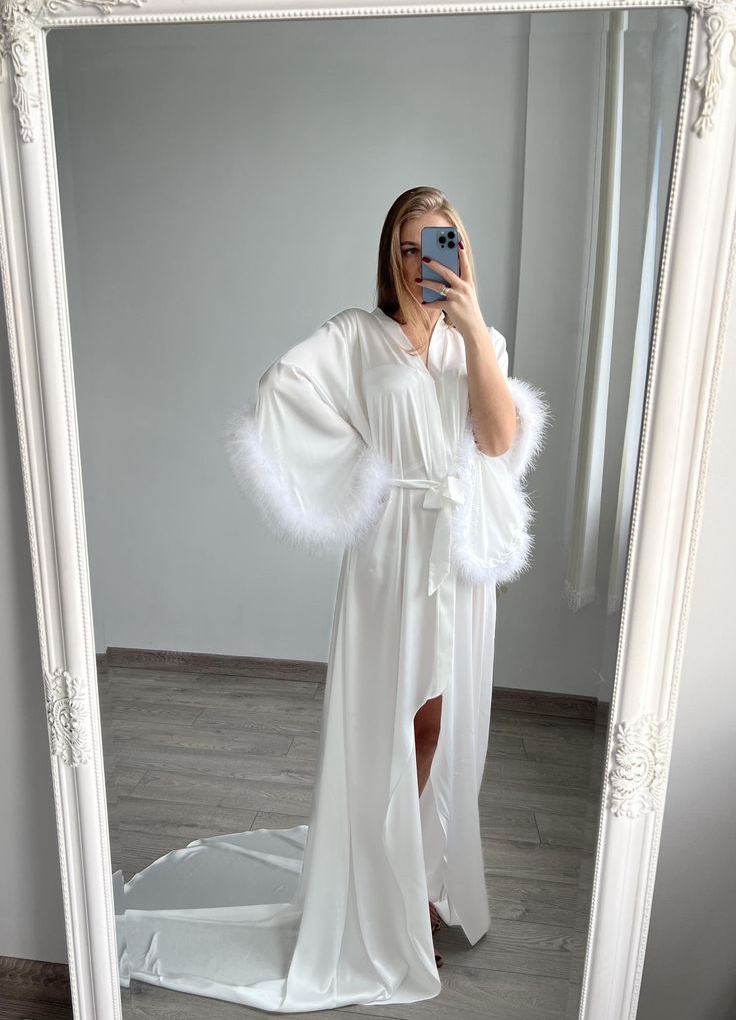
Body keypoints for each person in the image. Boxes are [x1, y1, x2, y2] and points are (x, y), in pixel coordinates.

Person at [112, 186, 550, 1012]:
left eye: (444, 243)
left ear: (464, 251)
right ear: (394, 255)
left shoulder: (477, 341)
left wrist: (474, 323)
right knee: (384, 725)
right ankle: (383, 902)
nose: (429, 262)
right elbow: (283, 389)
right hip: (389, 553)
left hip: (455, 558)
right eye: (415, 247)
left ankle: (415, 881)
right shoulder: (356, 336)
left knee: (439, 726)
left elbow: (496, 440)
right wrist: (357, 476)